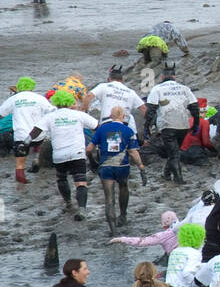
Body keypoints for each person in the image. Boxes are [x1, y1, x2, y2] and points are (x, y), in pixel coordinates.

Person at [37, 90, 98, 220]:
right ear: (70, 102)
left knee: (61, 178)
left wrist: (24, 143)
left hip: (59, 154)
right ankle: (82, 209)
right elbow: (97, 126)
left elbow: (36, 130)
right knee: (81, 181)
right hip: (77, 153)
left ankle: (68, 203)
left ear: (56, 102)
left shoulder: (50, 117)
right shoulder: (78, 115)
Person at [87, 106, 146, 235]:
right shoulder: (129, 130)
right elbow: (133, 151)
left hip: (106, 166)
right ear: (124, 116)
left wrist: (92, 161)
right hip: (123, 166)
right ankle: (123, 215)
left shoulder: (102, 129)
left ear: (110, 116)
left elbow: (89, 149)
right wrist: (141, 167)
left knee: (109, 198)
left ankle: (113, 230)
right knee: (123, 187)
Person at [144, 65, 200, 186]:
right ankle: (166, 174)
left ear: (163, 76)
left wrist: (146, 126)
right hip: (183, 124)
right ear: (174, 77)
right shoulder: (185, 89)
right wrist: (196, 123)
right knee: (174, 151)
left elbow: (150, 110)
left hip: (167, 124)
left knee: (173, 153)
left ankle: (179, 179)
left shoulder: (157, 89)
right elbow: (195, 107)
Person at [1, 76, 51, 183]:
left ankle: (21, 181)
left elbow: (1, 114)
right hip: (38, 134)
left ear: (19, 87)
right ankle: (37, 159)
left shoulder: (13, 99)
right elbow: (51, 112)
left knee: (20, 162)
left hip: (20, 135)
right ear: (32, 87)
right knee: (39, 144)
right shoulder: (39, 98)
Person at [87, 68, 145, 137]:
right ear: (122, 80)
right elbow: (143, 108)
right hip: (124, 124)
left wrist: (82, 110)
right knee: (129, 145)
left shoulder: (103, 86)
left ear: (109, 79)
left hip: (107, 123)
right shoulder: (131, 92)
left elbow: (89, 95)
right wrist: (147, 125)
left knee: (101, 143)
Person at [111, 208, 180, 258]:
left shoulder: (163, 236)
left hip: (176, 259)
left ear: (164, 225)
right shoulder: (185, 229)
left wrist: (121, 239)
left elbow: (141, 241)